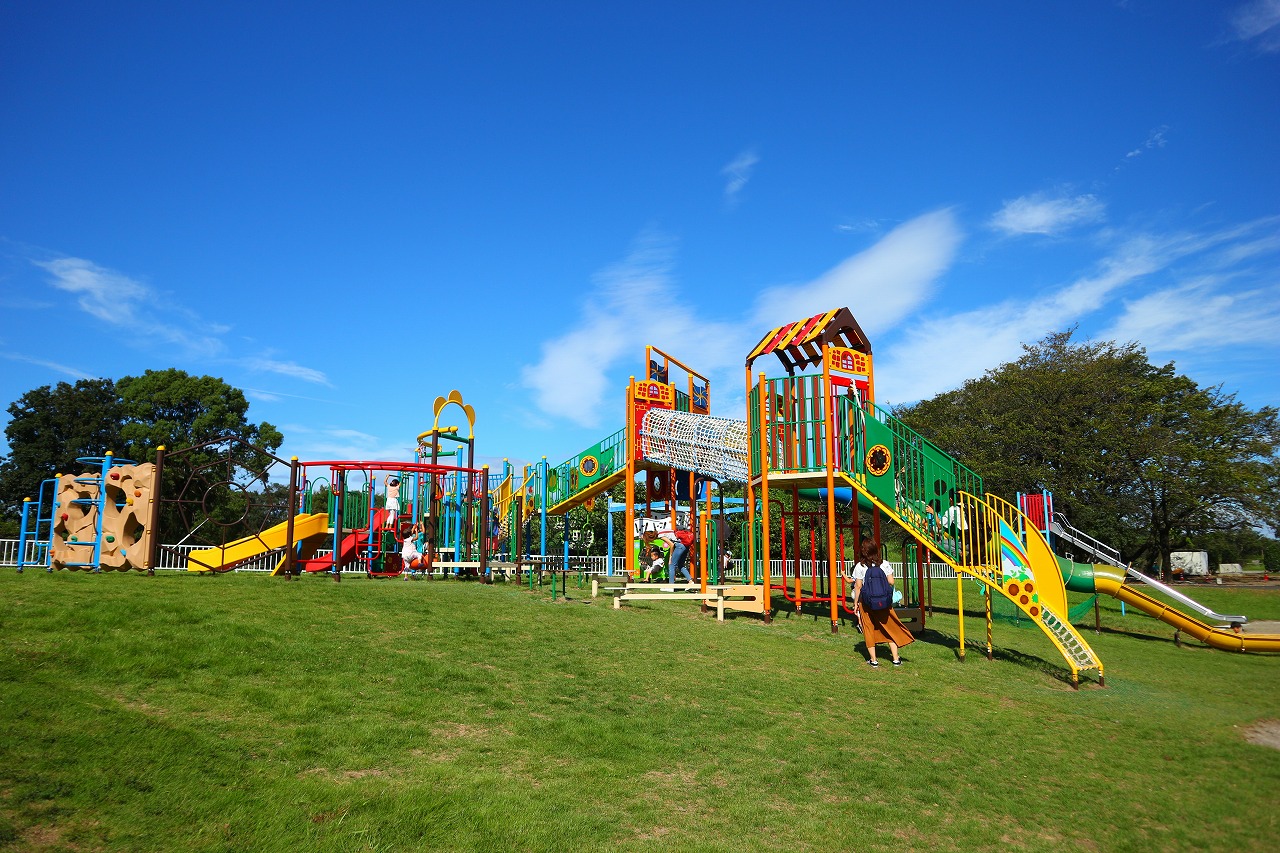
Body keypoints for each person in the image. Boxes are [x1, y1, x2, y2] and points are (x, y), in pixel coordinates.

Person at [851, 539, 914, 668]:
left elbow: (858, 587)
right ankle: (896, 659)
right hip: (883, 602)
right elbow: (891, 581)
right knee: (889, 627)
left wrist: (856, 604)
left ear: (863, 551)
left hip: (866, 603)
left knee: (868, 629)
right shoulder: (884, 564)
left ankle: (873, 660)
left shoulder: (860, 566)